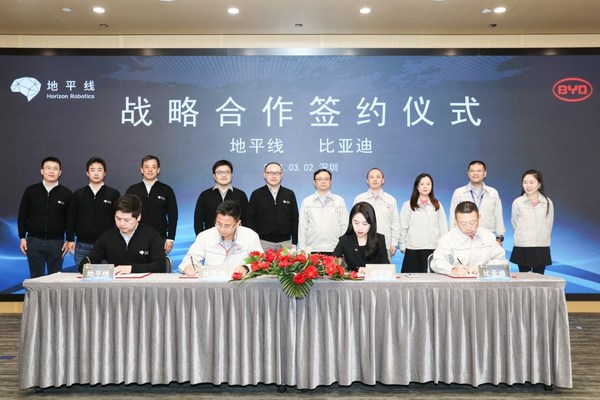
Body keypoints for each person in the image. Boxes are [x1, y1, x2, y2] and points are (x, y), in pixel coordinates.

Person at [77, 194, 166, 275]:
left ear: (138, 217)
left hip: (144, 285)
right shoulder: (107, 236)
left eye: (127, 220)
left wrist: (131, 269)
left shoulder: (151, 235)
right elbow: (89, 260)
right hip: (115, 285)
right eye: (118, 219)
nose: (121, 224)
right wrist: (86, 266)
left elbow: (160, 265)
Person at [18, 156, 72, 278]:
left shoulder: (66, 193)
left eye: (55, 169)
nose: (51, 171)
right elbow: (22, 215)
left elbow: (70, 219)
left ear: (60, 172)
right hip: (34, 242)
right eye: (48, 168)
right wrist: (22, 237)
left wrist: (69, 239)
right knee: (35, 278)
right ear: (42, 171)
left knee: (55, 279)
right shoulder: (31, 191)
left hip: (57, 243)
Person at [179, 200, 262, 277]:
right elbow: (188, 259)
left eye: (227, 226)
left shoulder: (250, 236)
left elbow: (260, 261)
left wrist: (246, 268)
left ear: (238, 223)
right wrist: (187, 266)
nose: (222, 229)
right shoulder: (205, 236)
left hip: (239, 284)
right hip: (211, 283)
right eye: (219, 224)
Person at [67, 157, 120, 267]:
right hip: (82, 246)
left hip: (106, 245)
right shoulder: (78, 194)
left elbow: (119, 218)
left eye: (99, 170)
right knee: (84, 276)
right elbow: (71, 217)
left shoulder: (113, 194)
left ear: (104, 173)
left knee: (105, 276)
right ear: (87, 173)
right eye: (92, 170)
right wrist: (70, 239)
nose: (96, 173)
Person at [431, 201, 506, 276]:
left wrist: (485, 268)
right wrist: (453, 269)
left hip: (483, 281)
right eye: (463, 223)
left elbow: (502, 261)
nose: (468, 228)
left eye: (472, 223)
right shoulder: (448, 239)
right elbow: (436, 263)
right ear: (456, 221)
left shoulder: (488, 237)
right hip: (457, 282)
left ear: (479, 218)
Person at [126, 155, 178, 255]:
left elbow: (173, 216)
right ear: (142, 170)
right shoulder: (133, 189)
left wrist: (170, 238)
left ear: (158, 170)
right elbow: (126, 213)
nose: (150, 170)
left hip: (160, 238)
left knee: (158, 263)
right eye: (147, 167)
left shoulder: (166, 190)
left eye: (153, 167)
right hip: (135, 237)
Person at [399, 173, 448, 273]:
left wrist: (444, 246)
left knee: (432, 280)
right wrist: (402, 245)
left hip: (433, 248)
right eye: (422, 184)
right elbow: (403, 226)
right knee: (411, 280)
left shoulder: (437, 204)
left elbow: (443, 227)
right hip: (413, 249)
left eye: (428, 184)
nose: (425, 187)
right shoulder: (408, 205)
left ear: (432, 186)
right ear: (417, 187)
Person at [246, 162, 299, 252]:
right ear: (264, 175)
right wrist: (253, 241)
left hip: (285, 243)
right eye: (270, 173)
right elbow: (250, 219)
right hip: (262, 243)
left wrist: (294, 243)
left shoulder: (289, 194)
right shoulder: (256, 194)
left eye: (277, 173)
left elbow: (294, 219)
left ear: (281, 175)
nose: (274, 176)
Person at [449, 160, 505, 245]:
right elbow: (453, 217)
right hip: (464, 237)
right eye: (472, 171)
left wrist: (499, 238)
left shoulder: (493, 193)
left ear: (485, 173)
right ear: (468, 174)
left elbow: (498, 216)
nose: (475, 173)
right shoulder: (459, 193)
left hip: (488, 237)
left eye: (479, 171)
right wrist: (453, 237)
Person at [510, 169, 554, 274]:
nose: (528, 185)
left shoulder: (547, 202)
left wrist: (542, 236)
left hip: (541, 246)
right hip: (523, 245)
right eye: (525, 182)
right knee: (524, 278)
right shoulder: (518, 202)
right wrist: (523, 235)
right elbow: (515, 223)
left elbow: (549, 223)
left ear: (539, 184)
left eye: (531, 182)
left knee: (539, 278)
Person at [353, 168, 400, 258]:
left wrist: (394, 243)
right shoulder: (359, 199)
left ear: (383, 180)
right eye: (371, 177)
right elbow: (353, 222)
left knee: (384, 267)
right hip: (362, 244)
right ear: (367, 181)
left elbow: (395, 223)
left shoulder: (390, 200)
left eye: (378, 177)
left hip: (385, 245)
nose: (375, 180)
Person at [298, 169, 348, 255]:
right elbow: (302, 226)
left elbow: (344, 225)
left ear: (330, 182)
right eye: (319, 179)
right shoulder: (307, 201)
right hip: (312, 248)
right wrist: (302, 249)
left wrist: (344, 247)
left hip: (335, 248)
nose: (323, 181)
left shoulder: (339, 201)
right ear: (314, 182)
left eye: (326, 179)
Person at [193, 160, 248, 235]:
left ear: (231, 175)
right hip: (210, 238)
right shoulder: (205, 195)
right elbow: (198, 221)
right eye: (219, 172)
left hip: (235, 238)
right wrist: (201, 238)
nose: (224, 175)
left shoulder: (241, 195)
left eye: (227, 172)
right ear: (214, 176)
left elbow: (246, 219)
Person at [333, 202, 389, 272]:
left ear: (371, 223)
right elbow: (332, 261)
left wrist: (370, 270)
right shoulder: (345, 240)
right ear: (351, 221)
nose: (359, 228)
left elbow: (386, 267)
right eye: (356, 223)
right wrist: (338, 264)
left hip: (373, 278)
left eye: (364, 224)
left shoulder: (380, 239)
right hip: (352, 279)